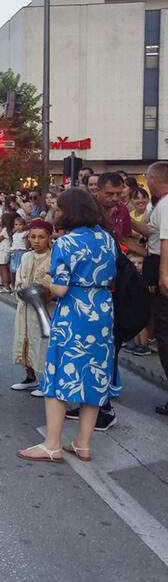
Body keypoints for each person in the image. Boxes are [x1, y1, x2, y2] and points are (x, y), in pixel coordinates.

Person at [19, 189, 118, 462]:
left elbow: (61, 289)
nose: (57, 213)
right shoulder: (108, 239)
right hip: (102, 310)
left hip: (75, 312)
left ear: (70, 211)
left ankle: (52, 444)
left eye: (59, 209)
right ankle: (83, 443)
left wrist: (47, 281)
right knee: (95, 376)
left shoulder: (66, 243)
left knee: (59, 376)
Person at [11, 219, 54, 396]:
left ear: (49, 238)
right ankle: (30, 378)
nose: (36, 241)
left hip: (44, 310)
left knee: (43, 343)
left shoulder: (53, 258)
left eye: (41, 237)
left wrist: (44, 292)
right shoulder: (26, 256)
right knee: (24, 340)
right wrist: (22, 290)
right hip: (25, 307)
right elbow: (19, 278)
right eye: (33, 237)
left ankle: (46, 381)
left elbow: (53, 284)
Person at [145, 162, 168, 416]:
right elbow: (153, 235)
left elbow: (165, 241)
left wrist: (164, 275)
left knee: (165, 334)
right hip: (155, 263)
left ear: (153, 178)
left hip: (163, 274)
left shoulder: (165, 203)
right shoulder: (160, 204)